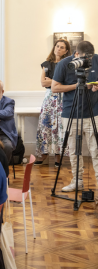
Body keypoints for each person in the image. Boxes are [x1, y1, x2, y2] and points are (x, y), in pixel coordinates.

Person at [51, 40, 98, 192]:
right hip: (71, 113)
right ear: (76, 54)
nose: (88, 62)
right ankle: (77, 181)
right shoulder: (65, 64)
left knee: (96, 150)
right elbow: (55, 88)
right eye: (86, 59)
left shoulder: (96, 59)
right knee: (74, 150)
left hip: (94, 113)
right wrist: (77, 86)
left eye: (90, 59)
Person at [34, 39, 71, 166]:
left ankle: (58, 156)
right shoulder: (46, 64)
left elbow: (68, 82)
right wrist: (58, 80)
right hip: (49, 99)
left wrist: (52, 81)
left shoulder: (68, 64)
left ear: (66, 51)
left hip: (62, 98)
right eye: (57, 46)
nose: (59, 49)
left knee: (60, 127)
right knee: (46, 126)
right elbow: (43, 83)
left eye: (62, 47)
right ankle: (44, 154)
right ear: (54, 47)